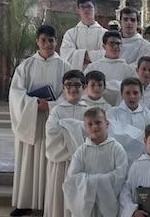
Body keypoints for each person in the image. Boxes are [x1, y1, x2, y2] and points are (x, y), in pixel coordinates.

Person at [9, 25, 71, 217]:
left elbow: (70, 93)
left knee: (51, 160)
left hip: (54, 120)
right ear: (37, 41)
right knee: (29, 160)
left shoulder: (65, 67)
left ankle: (49, 202)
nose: (47, 44)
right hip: (31, 120)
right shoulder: (26, 66)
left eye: (51, 40)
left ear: (56, 42)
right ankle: (24, 202)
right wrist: (35, 103)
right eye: (43, 40)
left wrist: (51, 106)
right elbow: (15, 93)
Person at [63, 107, 128, 217]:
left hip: (109, 203)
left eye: (98, 122)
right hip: (87, 205)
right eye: (90, 124)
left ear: (107, 124)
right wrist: (96, 184)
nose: (94, 126)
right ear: (85, 127)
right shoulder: (81, 151)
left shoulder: (117, 148)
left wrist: (93, 182)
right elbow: (72, 178)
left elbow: (120, 175)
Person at [44, 70, 89, 217]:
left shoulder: (89, 110)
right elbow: (51, 131)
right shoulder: (57, 110)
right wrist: (77, 127)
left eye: (77, 85)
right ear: (63, 88)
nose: (73, 89)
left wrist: (67, 125)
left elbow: (94, 131)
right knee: (60, 197)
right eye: (68, 85)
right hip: (62, 163)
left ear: (84, 87)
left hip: (83, 163)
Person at [84, 31, 138, 105]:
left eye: (118, 43)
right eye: (111, 43)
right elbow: (84, 89)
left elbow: (135, 90)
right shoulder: (93, 67)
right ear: (104, 46)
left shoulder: (129, 69)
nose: (115, 46)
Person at [60, 0, 106, 70]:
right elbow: (66, 56)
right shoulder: (70, 34)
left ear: (95, 9)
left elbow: (106, 55)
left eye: (89, 6)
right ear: (78, 10)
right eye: (82, 7)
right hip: (76, 77)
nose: (86, 10)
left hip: (97, 76)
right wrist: (92, 57)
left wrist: (80, 57)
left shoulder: (104, 33)